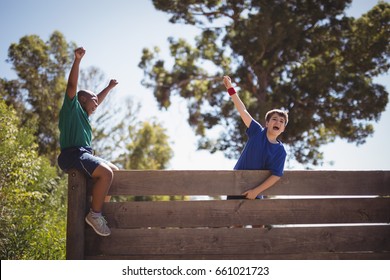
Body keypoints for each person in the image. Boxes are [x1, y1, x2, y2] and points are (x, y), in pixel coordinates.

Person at [58, 47, 119, 236]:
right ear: (82, 99)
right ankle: (95, 214)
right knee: (107, 173)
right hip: (72, 154)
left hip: (82, 154)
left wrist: (108, 87)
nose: (97, 105)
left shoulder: (84, 115)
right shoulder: (72, 108)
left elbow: (97, 99)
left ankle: (97, 209)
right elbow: (71, 86)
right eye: (93, 101)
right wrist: (77, 60)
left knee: (115, 171)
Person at [223, 76, 288, 226]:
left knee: (258, 226)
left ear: (283, 128)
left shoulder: (280, 151)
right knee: (236, 225)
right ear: (267, 123)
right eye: (274, 119)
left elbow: (276, 175)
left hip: (256, 191)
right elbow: (242, 110)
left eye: (281, 121)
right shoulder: (256, 131)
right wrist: (230, 89)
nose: (278, 122)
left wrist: (256, 192)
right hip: (237, 185)